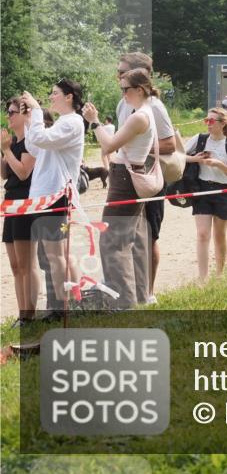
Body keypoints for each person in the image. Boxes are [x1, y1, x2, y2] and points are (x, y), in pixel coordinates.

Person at [82, 69, 157, 310]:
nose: (123, 93)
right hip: (126, 177)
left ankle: (124, 303)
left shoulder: (139, 117)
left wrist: (94, 121)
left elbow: (108, 146)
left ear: (139, 89)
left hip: (125, 180)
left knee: (113, 244)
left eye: (126, 89)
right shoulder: (144, 112)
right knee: (127, 241)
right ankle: (136, 297)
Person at [115, 52, 178, 304]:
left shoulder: (155, 107)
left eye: (122, 72)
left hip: (149, 177)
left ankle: (148, 293)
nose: (118, 77)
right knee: (126, 236)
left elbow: (170, 144)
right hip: (126, 176)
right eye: (118, 73)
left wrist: (139, 149)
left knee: (148, 235)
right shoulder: (123, 103)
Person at [22, 80, 85, 314]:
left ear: (69, 97)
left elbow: (41, 140)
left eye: (55, 93)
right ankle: (67, 303)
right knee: (53, 255)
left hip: (57, 194)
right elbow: (36, 146)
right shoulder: (63, 122)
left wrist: (37, 111)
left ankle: (65, 306)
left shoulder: (72, 123)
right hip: (47, 194)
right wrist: (30, 120)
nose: (51, 97)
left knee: (57, 254)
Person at [185, 107, 227, 284]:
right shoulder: (200, 139)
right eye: (206, 121)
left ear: (223, 123)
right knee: (202, 234)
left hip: (225, 191)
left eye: (212, 121)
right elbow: (179, 156)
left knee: (219, 235)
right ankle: (202, 278)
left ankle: (219, 274)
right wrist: (197, 159)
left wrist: (218, 164)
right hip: (203, 189)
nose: (208, 124)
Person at [2, 99, 46, 325]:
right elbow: (4, 175)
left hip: (24, 202)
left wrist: (7, 150)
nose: (8, 116)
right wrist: (3, 150)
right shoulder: (14, 142)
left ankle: (30, 313)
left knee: (27, 263)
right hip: (10, 202)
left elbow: (22, 173)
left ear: (24, 114)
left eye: (12, 112)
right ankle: (22, 313)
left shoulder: (30, 142)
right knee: (15, 264)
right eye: (7, 112)